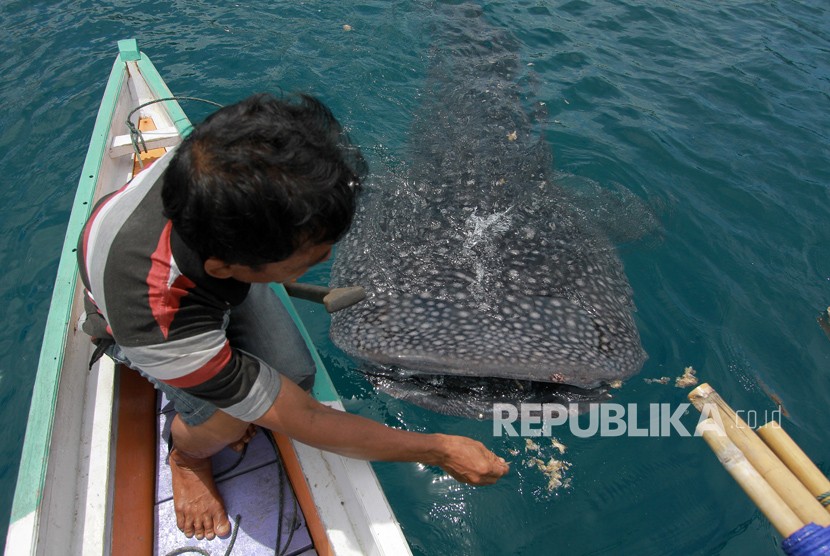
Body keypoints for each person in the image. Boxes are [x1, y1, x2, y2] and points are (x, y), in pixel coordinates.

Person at [77, 93, 509, 541]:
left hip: (202, 274)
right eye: (310, 259)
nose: (325, 261)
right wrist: (439, 450)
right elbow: (308, 421)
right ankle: (187, 459)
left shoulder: (217, 167)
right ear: (231, 268)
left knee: (295, 373)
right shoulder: (161, 324)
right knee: (230, 419)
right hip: (143, 322)